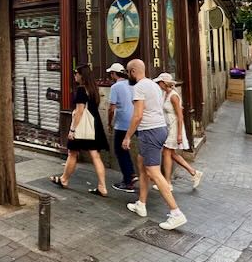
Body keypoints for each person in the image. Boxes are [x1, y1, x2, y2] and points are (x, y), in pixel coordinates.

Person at [122, 59, 187, 230]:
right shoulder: (152, 85)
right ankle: (141, 204)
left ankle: (176, 213)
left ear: (133, 71)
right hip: (158, 129)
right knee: (142, 164)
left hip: (150, 131)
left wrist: (127, 137)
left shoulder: (139, 87)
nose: (128, 75)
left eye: (128, 72)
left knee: (153, 172)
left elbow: (137, 115)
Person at [50, 64, 110, 196]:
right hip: (94, 126)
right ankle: (102, 186)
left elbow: (80, 112)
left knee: (72, 153)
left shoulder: (82, 90)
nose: (74, 75)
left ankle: (64, 179)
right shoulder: (93, 89)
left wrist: (72, 130)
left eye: (76, 73)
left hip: (82, 127)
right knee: (95, 156)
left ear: (82, 75)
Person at [153, 73, 202, 189]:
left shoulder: (173, 96)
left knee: (166, 152)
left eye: (159, 82)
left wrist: (179, 134)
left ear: (164, 83)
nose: (158, 84)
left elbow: (180, 116)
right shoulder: (165, 94)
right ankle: (194, 172)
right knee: (172, 154)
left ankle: (167, 183)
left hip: (174, 127)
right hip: (168, 126)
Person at [106, 63, 137, 193]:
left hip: (122, 123)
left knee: (120, 151)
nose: (110, 76)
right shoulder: (132, 85)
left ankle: (128, 181)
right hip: (135, 122)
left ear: (114, 74)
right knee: (125, 150)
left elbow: (111, 108)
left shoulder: (115, 87)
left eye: (111, 74)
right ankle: (131, 173)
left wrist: (109, 123)